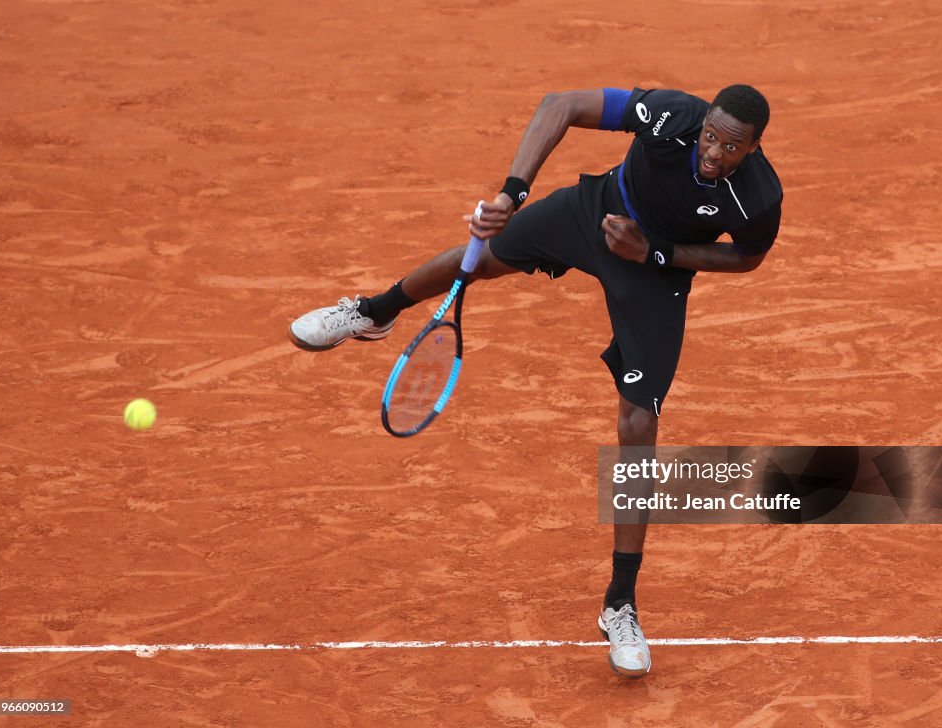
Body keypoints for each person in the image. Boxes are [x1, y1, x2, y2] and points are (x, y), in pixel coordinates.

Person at [289, 85, 783, 677]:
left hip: (653, 269)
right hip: (594, 210)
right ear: (702, 122)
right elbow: (563, 105)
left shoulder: (758, 196)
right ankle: (375, 311)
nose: (713, 152)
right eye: (710, 136)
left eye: (731, 147)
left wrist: (655, 253)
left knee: (639, 422)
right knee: (476, 256)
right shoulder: (672, 114)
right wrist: (511, 193)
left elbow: (747, 258)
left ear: (754, 147)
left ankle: (620, 603)